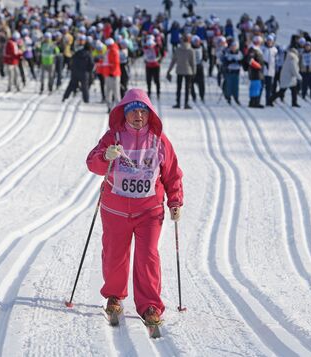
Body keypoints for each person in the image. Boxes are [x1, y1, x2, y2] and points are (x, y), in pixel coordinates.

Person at [86, 88, 183, 326]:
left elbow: (171, 173)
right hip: (115, 210)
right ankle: (114, 297)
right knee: (114, 255)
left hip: (149, 210)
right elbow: (93, 164)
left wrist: (175, 200)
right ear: (124, 114)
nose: (138, 115)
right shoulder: (113, 137)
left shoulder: (160, 141)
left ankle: (150, 305)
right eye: (133, 111)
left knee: (148, 256)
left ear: (150, 115)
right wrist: (105, 157)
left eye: (143, 111)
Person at [166, 34, 195, 109]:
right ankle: (186, 103)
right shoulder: (191, 50)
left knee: (179, 87)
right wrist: (194, 72)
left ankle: (178, 103)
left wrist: (169, 70)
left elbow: (173, 61)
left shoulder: (178, 49)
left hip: (179, 70)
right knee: (187, 88)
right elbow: (193, 63)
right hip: (188, 71)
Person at [62, 37, 93, 102]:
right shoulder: (88, 54)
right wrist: (89, 71)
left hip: (75, 72)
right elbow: (91, 64)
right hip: (84, 72)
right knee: (85, 87)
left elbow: (72, 61)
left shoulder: (77, 52)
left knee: (71, 85)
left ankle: (65, 97)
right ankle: (86, 100)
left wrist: (72, 69)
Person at [244, 35, 265, 108]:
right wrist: (257, 65)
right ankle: (254, 102)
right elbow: (250, 60)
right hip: (255, 72)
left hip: (259, 72)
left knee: (257, 87)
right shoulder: (252, 50)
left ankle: (255, 101)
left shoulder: (258, 49)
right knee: (255, 87)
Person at [221, 40, 242, 105]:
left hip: (236, 71)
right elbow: (224, 61)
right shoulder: (227, 53)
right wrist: (229, 62)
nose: (233, 48)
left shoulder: (239, 53)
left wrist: (238, 62)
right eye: (232, 46)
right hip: (229, 71)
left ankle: (236, 97)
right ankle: (228, 97)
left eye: (235, 46)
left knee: (235, 86)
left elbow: (243, 61)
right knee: (229, 85)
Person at [103, 38, 121, 112]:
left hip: (113, 75)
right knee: (108, 91)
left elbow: (116, 63)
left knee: (115, 92)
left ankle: (118, 108)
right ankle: (110, 107)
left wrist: (112, 72)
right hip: (108, 74)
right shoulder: (110, 50)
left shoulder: (113, 50)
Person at [190, 35, 207, 103]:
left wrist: (205, 57)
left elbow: (205, 56)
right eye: (195, 42)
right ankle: (193, 96)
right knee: (191, 83)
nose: (197, 43)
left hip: (200, 67)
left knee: (201, 83)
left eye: (198, 41)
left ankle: (202, 96)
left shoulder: (202, 47)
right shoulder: (190, 47)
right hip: (192, 67)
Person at [262, 34, 278, 106]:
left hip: (271, 71)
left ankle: (268, 101)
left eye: (270, 41)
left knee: (269, 88)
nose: (269, 42)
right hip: (263, 71)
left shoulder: (275, 50)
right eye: (268, 40)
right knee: (261, 87)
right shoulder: (263, 48)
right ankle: (257, 100)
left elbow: (277, 60)